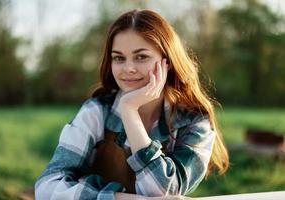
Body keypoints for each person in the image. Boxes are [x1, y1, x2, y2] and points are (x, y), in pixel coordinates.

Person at [35, 9, 229, 200]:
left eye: (141, 57)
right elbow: (47, 186)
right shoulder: (96, 111)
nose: (128, 69)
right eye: (119, 58)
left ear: (167, 62)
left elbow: (164, 191)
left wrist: (129, 111)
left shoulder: (193, 121)